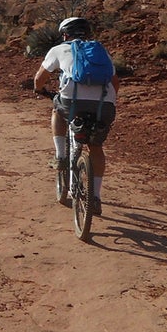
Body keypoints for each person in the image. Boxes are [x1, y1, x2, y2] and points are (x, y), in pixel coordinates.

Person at [32, 16, 120, 215]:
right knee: (96, 147)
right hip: (103, 104)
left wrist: (39, 90)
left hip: (72, 102)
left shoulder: (58, 50)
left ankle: (61, 156)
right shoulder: (100, 50)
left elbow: (39, 79)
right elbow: (115, 82)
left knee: (57, 110)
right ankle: (95, 197)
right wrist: (109, 103)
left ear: (65, 34)